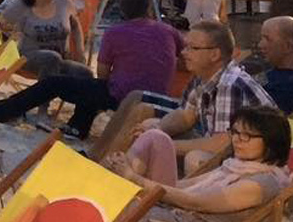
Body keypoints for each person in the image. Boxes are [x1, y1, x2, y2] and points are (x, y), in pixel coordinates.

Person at [106, 106, 291, 222]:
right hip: (174, 220)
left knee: (111, 200)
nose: (237, 140)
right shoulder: (236, 167)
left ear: (271, 141)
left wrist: (134, 179)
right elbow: (184, 186)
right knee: (120, 186)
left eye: (247, 136)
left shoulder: (261, 184)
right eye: (235, 132)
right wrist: (132, 180)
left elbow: (195, 202)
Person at [94, 20, 276, 174]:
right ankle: (110, 171)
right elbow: (186, 115)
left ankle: (125, 178)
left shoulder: (228, 85)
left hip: (258, 162)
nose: (183, 52)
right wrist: (158, 129)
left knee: (194, 158)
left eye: (192, 48)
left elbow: (222, 144)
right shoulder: (205, 75)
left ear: (215, 55)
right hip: (229, 147)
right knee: (152, 128)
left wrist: (164, 143)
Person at [0, 0, 181, 139]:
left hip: (126, 97)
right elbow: (184, 57)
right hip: (159, 98)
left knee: (55, 84)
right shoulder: (169, 31)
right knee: (89, 85)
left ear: (122, 12)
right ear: (149, 10)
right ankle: (77, 126)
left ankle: (0, 111)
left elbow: (103, 74)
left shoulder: (115, 33)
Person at [0, 0, 88, 80]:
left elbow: (75, 25)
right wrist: (12, 36)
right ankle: (43, 94)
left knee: (85, 73)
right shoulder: (21, 5)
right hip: (28, 59)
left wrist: (81, 53)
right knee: (51, 58)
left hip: (61, 59)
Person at [257, 16, 293, 113]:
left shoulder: (283, 88)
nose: (260, 45)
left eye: (267, 39)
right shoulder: (267, 75)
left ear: (287, 46)